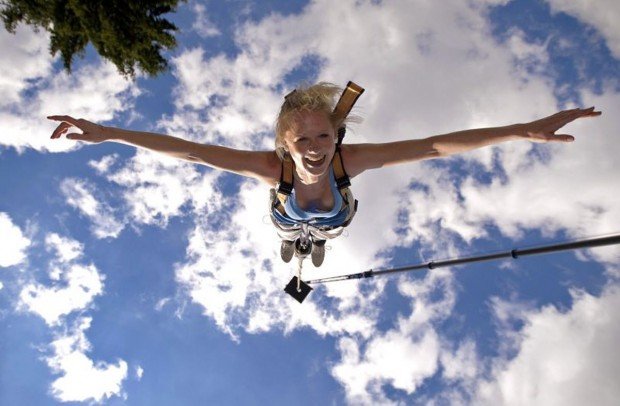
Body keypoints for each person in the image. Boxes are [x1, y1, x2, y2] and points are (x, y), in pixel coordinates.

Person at [48, 82, 601, 267]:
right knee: (290, 232)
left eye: (323, 137)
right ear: (284, 143)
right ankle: (300, 243)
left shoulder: (347, 161)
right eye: (302, 140)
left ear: (337, 139)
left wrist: (522, 130)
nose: (314, 149)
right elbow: (192, 152)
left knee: (323, 233)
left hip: (335, 218)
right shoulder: (273, 168)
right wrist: (111, 132)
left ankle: (315, 245)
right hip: (287, 214)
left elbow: (434, 147)